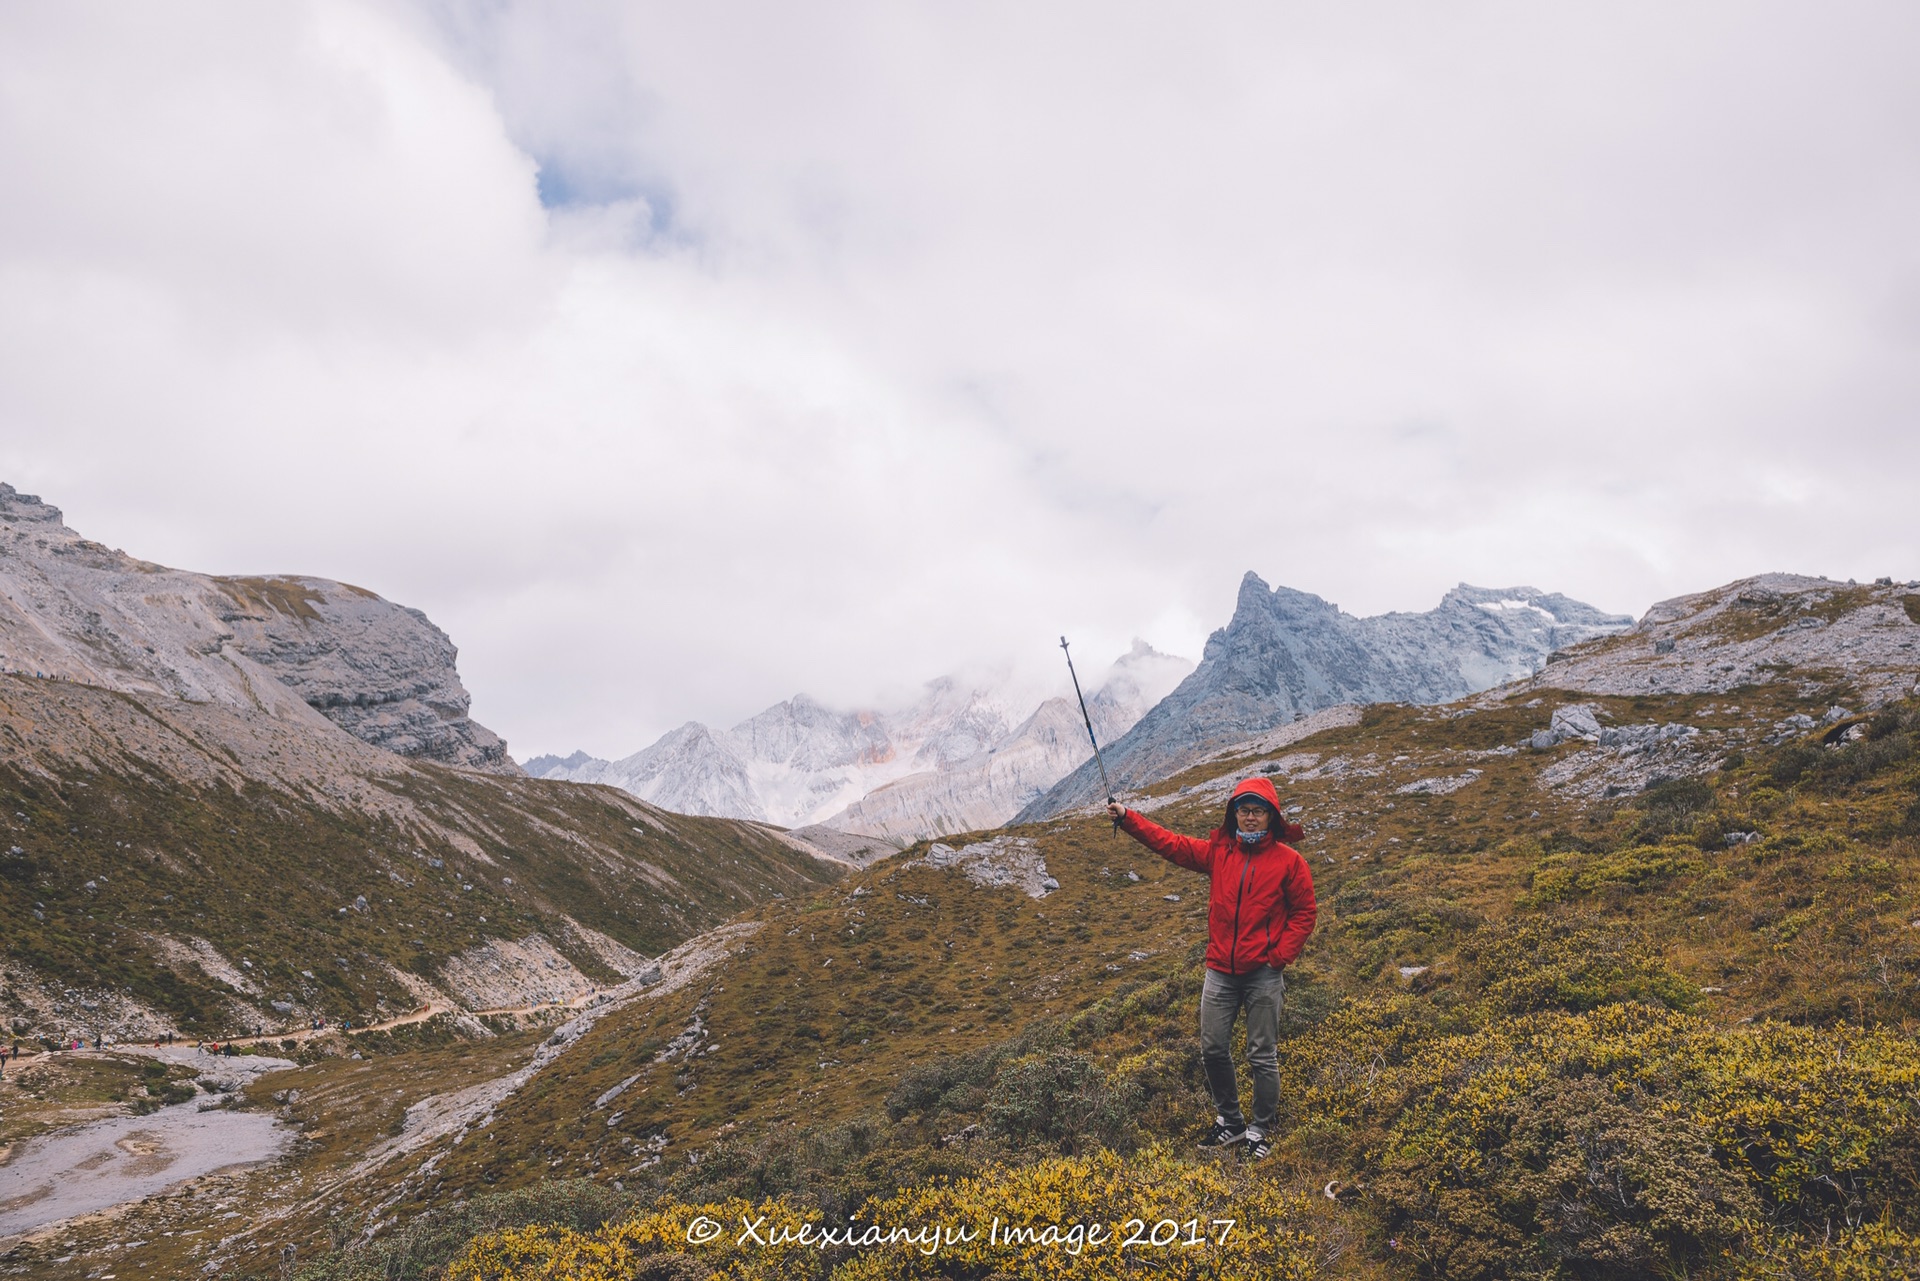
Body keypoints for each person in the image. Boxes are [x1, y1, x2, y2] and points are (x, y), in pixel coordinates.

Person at [1108, 777, 1317, 1163]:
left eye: (1258, 811)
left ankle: (1261, 1128)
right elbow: (1170, 844)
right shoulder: (1220, 853)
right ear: (1233, 814)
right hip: (1220, 969)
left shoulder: (1290, 862)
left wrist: (1279, 956)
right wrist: (1127, 818)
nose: (1250, 817)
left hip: (1263, 974)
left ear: (1271, 816)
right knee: (1213, 1049)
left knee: (1262, 1055)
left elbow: (1305, 913)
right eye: (1244, 810)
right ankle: (1231, 1122)